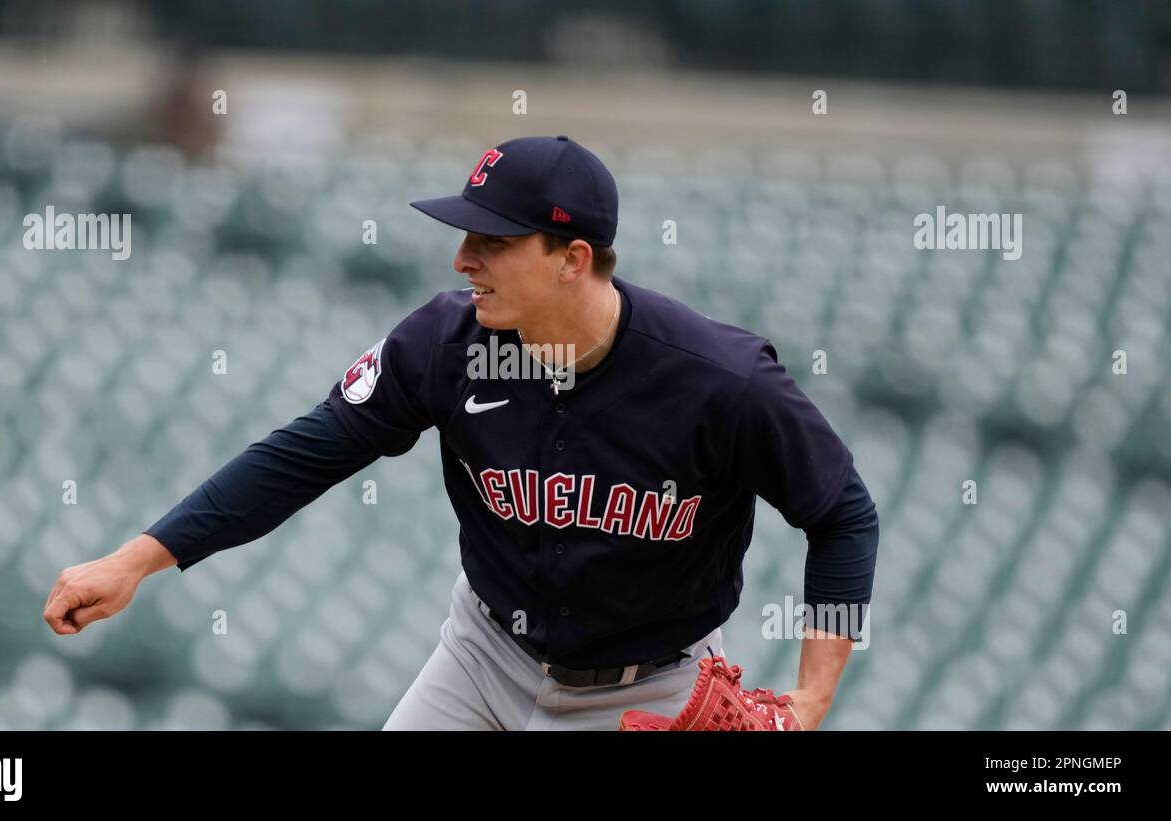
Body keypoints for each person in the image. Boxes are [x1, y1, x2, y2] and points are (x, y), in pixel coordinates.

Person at [43, 135, 880, 731]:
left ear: (572, 257)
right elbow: (303, 455)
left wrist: (810, 702)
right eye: (464, 233)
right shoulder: (444, 344)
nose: (463, 258)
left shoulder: (718, 379)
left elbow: (843, 514)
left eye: (494, 238)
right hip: (482, 658)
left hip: (647, 693)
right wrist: (136, 560)